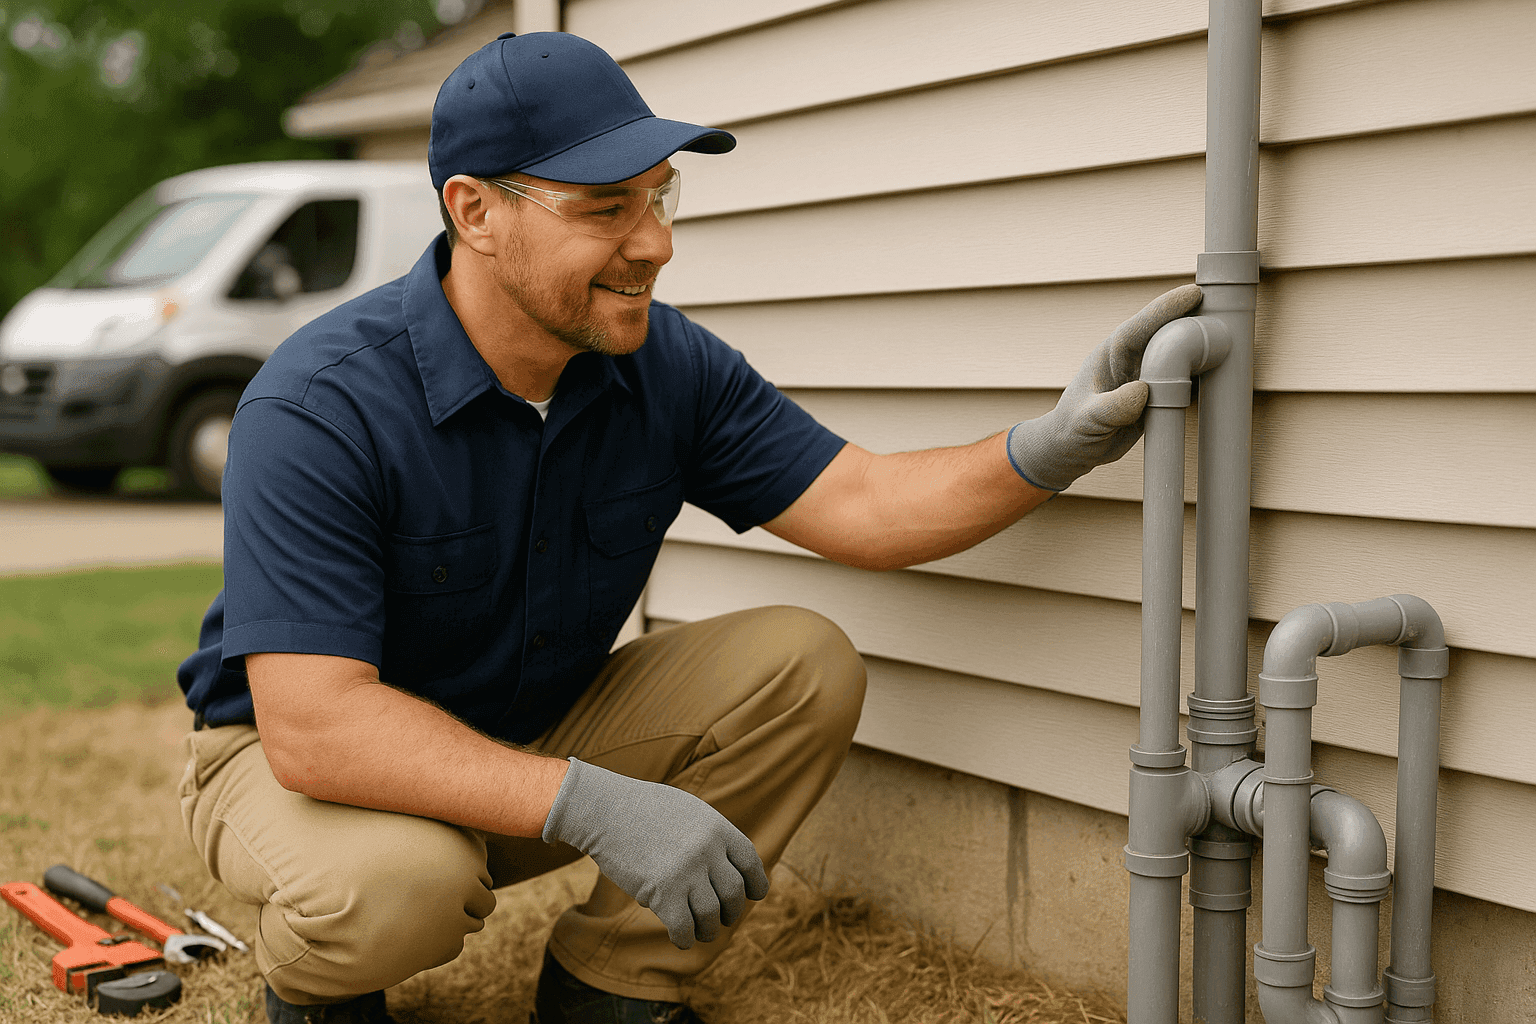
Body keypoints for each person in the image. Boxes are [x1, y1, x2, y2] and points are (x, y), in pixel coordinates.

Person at [175, 31, 1201, 1024]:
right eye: (605, 208)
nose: (656, 243)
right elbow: (316, 725)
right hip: (297, 766)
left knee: (801, 663)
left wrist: (1048, 447)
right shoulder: (320, 404)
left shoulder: (665, 366)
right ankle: (321, 991)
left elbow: (866, 502)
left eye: (660, 196)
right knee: (399, 884)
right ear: (475, 211)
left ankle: (611, 984)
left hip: (526, 739)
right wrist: (593, 804)